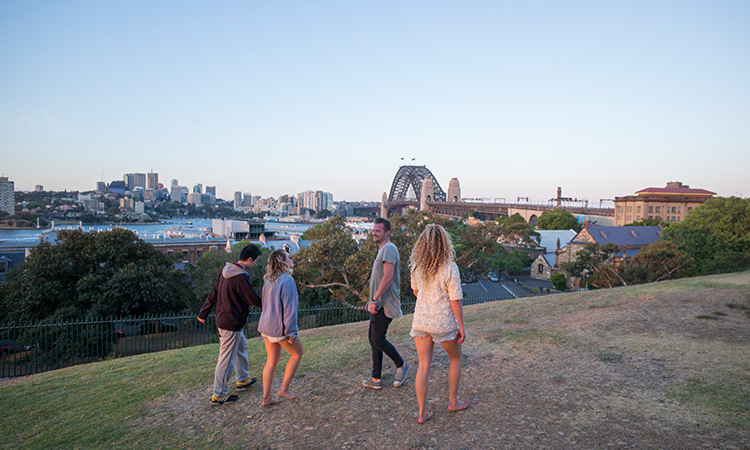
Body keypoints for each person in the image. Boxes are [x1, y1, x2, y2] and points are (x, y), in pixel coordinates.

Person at [409, 224, 469, 423]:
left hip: (421, 321)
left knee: (423, 367)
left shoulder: (417, 267)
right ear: (444, 244)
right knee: (455, 359)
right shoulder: (450, 268)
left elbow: (417, 293)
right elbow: (455, 299)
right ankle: (453, 402)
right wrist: (461, 325)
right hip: (442, 322)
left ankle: (422, 413)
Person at [197, 244, 263, 405]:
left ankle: (242, 379)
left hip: (224, 319)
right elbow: (253, 299)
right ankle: (219, 394)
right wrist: (271, 305)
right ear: (249, 259)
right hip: (231, 323)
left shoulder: (226, 271)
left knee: (242, 347)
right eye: (255, 261)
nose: (254, 265)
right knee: (226, 359)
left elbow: (214, 292)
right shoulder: (240, 277)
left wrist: (203, 312)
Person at [363, 217, 410, 390]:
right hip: (377, 302)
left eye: (378, 231)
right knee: (373, 339)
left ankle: (402, 365)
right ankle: (376, 378)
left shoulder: (389, 248)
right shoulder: (383, 249)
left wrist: (375, 300)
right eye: (373, 230)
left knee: (378, 339)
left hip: (384, 303)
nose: (374, 233)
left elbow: (388, 277)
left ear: (387, 233)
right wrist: (371, 300)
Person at [258, 249, 304, 406]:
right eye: (289, 257)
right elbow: (290, 310)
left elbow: (264, 304)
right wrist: (291, 332)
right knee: (297, 354)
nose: (292, 259)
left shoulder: (268, 280)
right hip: (280, 328)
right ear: (283, 261)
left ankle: (266, 398)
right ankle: (284, 389)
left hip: (266, 327)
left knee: (271, 362)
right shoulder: (287, 281)